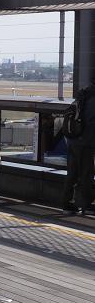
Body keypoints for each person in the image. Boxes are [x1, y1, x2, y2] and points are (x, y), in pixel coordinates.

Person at [62, 79, 95, 216]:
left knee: (72, 174)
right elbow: (91, 122)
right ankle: (88, 205)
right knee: (87, 174)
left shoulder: (84, 93)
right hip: (86, 142)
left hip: (73, 139)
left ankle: (67, 204)